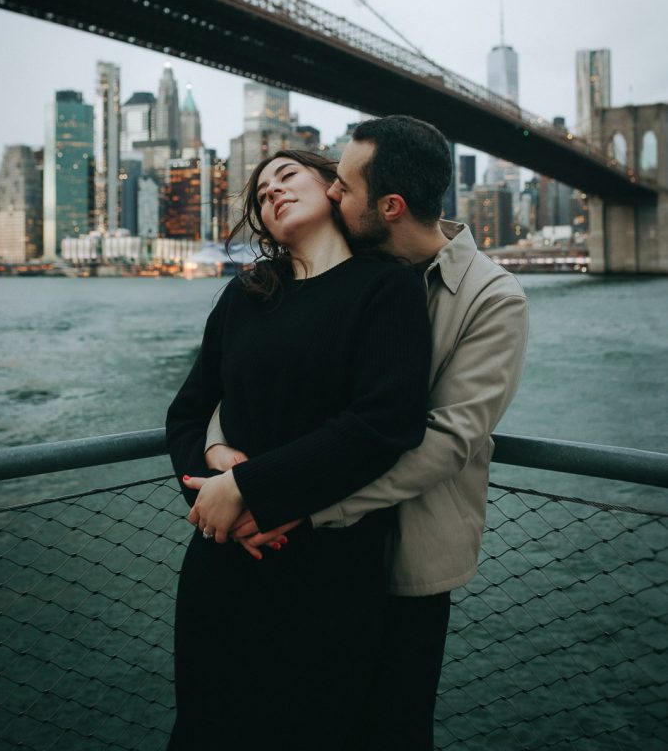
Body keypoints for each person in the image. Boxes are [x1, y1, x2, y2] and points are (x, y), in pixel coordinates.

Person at [206, 116, 529, 750]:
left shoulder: (493, 299)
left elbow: (445, 439)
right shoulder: (351, 271)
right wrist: (225, 456)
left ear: (390, 205)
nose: (330, 195)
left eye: (344, 187)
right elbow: (253, 377)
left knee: (392, 729)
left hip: (407, 557)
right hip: (321, 561)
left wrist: (300, 505)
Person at [164, 148, 432, 751]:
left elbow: (384, 424)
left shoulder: (386, 289)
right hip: (224, 558)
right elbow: (186, 414)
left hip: (328, 568)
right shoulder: (245, 296)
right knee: (205, 729)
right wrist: (215, 474)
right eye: (261, 195)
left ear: (334, 188)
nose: (272, 193)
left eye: (287, 176)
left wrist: (254, 488)